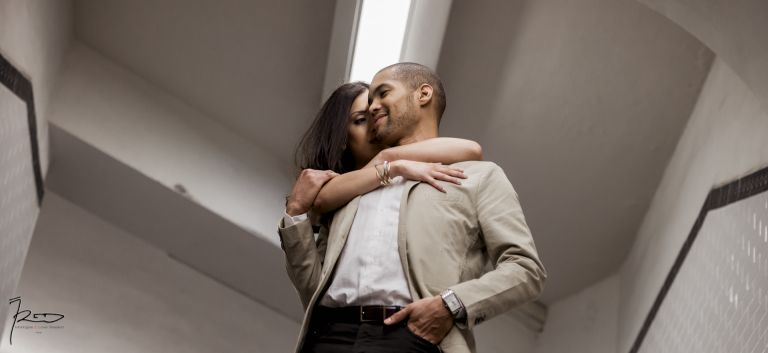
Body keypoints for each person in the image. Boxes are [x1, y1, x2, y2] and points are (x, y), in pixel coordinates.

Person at [279, 64, 546, 353]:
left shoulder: (479, 176)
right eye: (367, 105)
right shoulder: (352, 189)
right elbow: (312, 289)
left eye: (382, 94)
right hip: (328, 337)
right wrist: (295, 215)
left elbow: (525, 268)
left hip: (415, 338)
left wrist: (450, 305)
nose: (372, 108)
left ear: (423, 94)